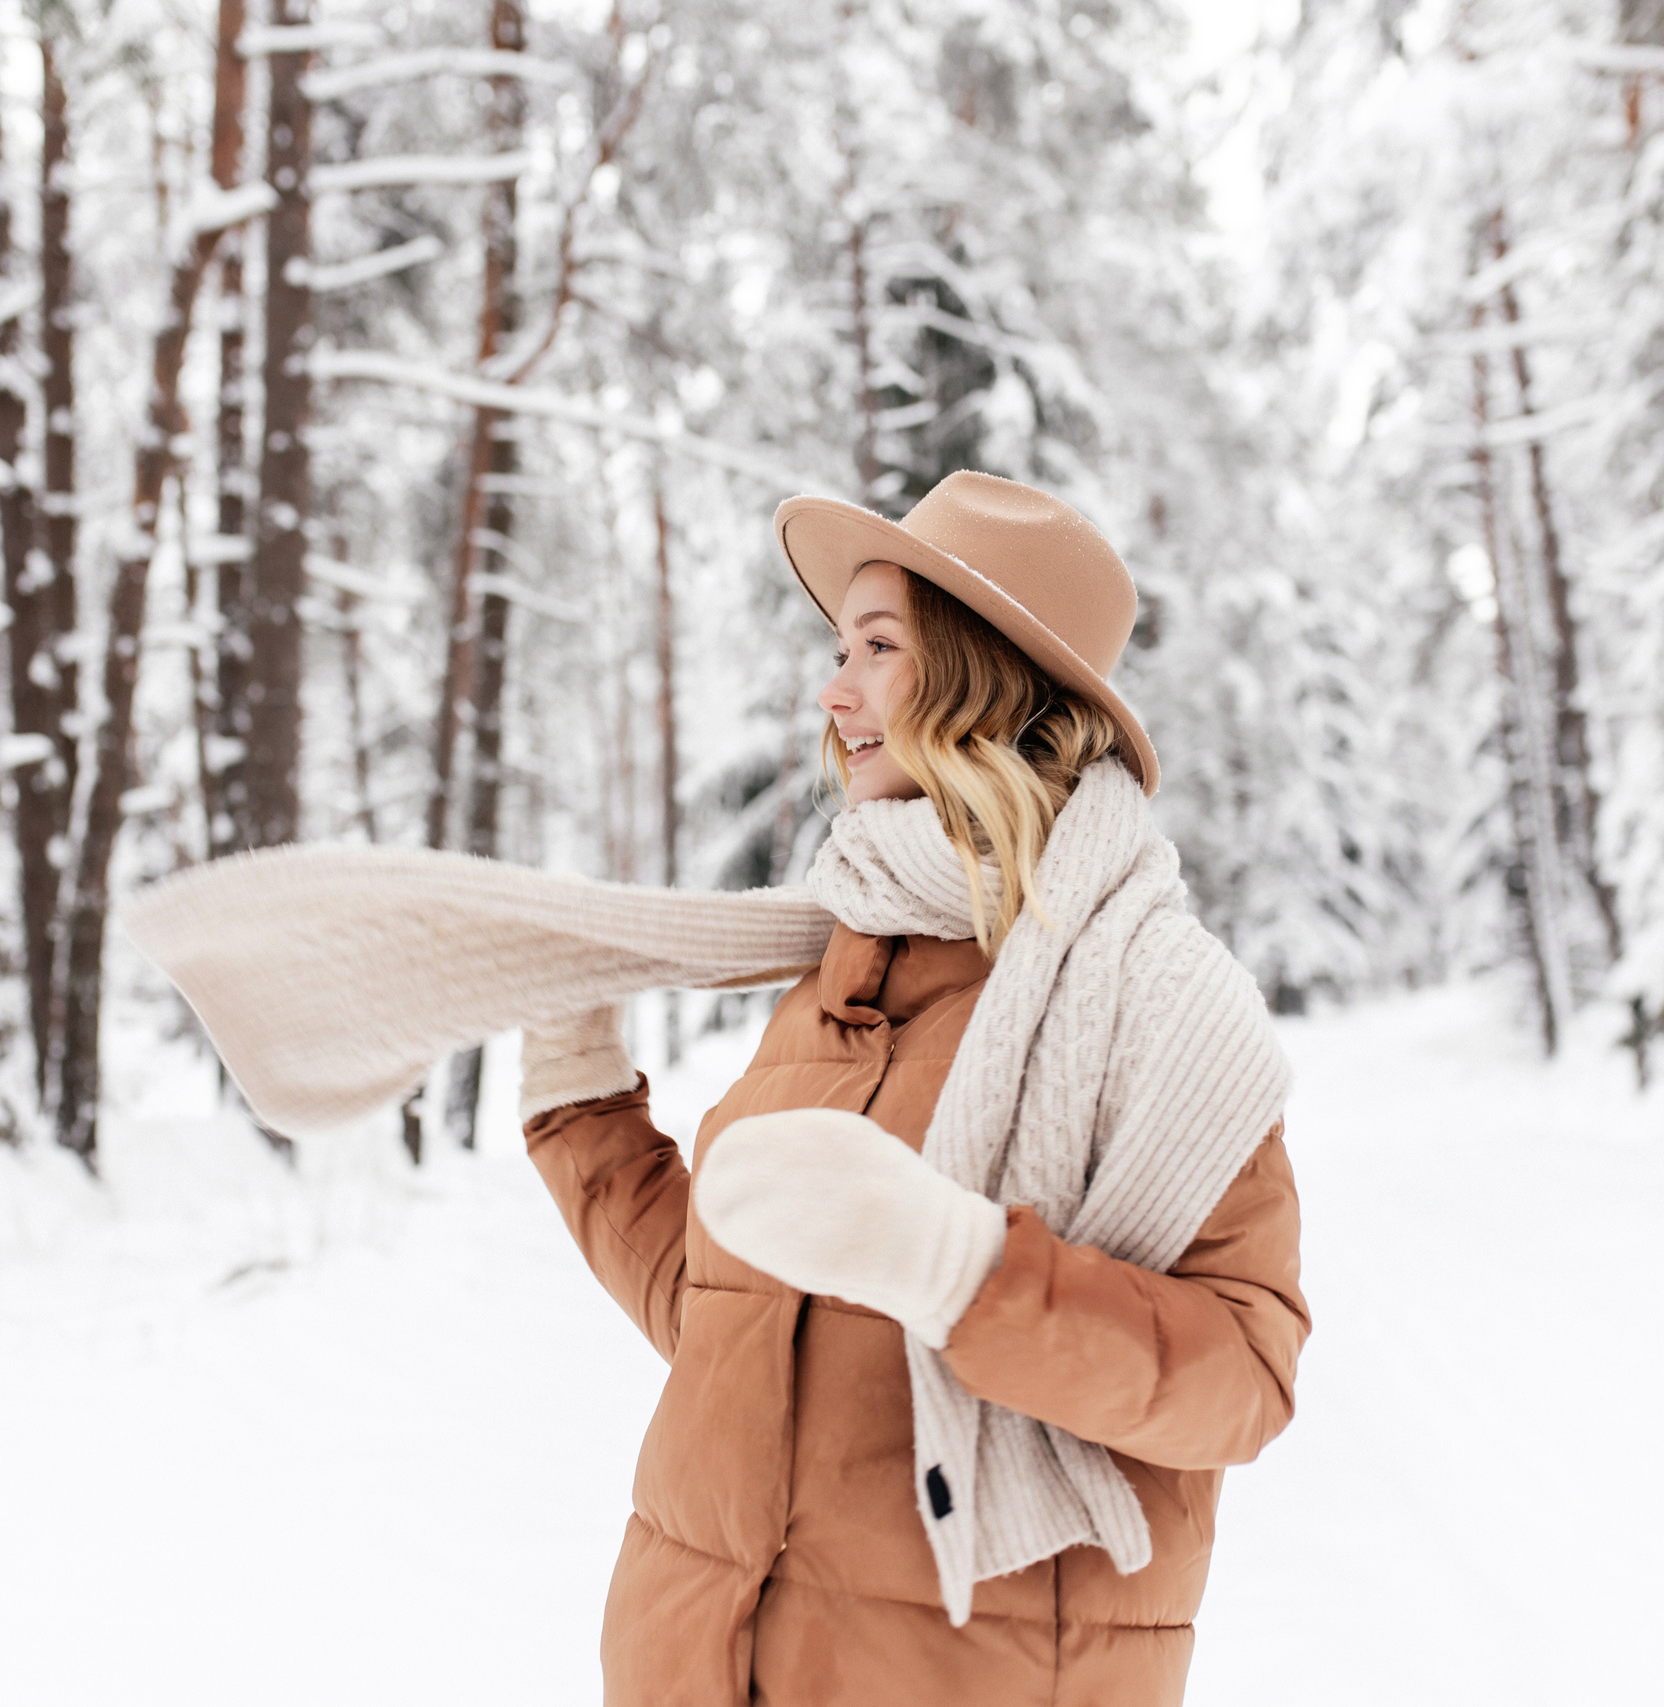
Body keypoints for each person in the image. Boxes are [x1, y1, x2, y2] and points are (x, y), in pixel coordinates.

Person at [514, 470, 1308, 1707]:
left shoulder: (1154, 998)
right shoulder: (835, 972)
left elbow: (1240, 1381)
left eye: (877, 648)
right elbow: (727, 1317)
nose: (833, 695)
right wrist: (579, 1099)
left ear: (983, 676)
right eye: (837, 650)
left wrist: (969, 1273)